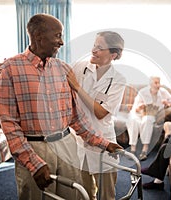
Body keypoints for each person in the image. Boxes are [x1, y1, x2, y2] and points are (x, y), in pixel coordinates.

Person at [0, 13, 122, 200]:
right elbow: (9, 125)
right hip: (34, 146)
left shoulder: (63, 69)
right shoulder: (11, 70)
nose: (62, 42)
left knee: (74, 195)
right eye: (57, 36)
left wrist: (103, 143)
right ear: (38, 36)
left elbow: (75, 116)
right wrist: (33, 162)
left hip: (67, 145)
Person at [67, 31, 126, 200]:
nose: (93, 50)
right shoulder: (80, 66)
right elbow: (54, 69)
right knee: (83, 193)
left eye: (99, 48)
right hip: (79, 139)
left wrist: (77, 87)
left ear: (113, 54)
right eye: (94, 45)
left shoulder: (118, 79)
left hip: (103, 140)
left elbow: (100, 113)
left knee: (106, 194)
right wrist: (16, 66)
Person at [126, 76, 171, 161]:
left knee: (147, 120)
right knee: (133, 121)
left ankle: (145, 149)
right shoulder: (143, 92)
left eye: (159, 82)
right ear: (150, 84)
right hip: (138, 114)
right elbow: (135, 108)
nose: (158, 85)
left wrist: (168, 104)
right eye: (156, 83)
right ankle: (133, 149)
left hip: (150, 114)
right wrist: (140, 107)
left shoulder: (163, 92)